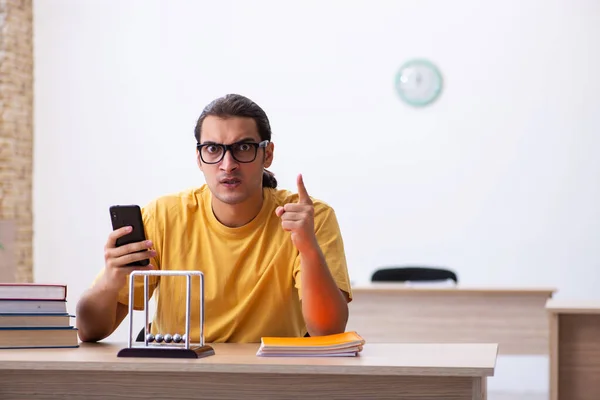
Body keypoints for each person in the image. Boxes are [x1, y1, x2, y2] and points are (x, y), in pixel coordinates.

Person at [76, 93, 352, 343]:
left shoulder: (308, 218)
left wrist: (308, 249)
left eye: (243, 148)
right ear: (199, 157)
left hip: (268, 378)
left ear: (266, 154)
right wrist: (110, 281)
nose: (227, 164)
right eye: (213, 149)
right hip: (177, 375)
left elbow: (328, 331)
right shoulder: (163, 216)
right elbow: (90, 331)